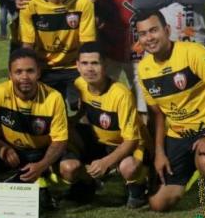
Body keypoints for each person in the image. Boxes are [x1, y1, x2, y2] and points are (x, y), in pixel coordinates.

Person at [134, 10, 205, 212]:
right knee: (158, 203)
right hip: (179, 134)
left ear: (167, 30)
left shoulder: (193, 53)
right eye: (143, 34)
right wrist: (159, 153)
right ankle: (204, 175)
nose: (149, 38)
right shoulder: (144, 69)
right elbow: (158, 116)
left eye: (154, 30)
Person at [64, 42, 149, 208]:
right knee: (63, 138)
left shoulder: (121, 94)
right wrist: (71, 121)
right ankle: (86, 182)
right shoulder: (79, 84)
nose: (90, 69)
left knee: (129, 167)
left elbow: (131, 141)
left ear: (106, 65)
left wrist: (106, 162)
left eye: (95, 63)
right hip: (98, 141)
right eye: (85, 63)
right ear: (78, 66)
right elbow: (81, 112)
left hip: (123, 145)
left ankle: (138, 186)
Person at [0, 48, 68, 209]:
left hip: (41, 150)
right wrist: (3, 148)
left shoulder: (54, 97)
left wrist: (42, 164)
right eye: (18, 72)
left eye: (30, 71)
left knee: (68, 168)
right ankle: (11, 177)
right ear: (10, 74)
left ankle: (45, 177)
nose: (24, 77)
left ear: (38, 73)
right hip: (12, 149)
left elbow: (60, 141)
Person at [20, 0, 95, 107]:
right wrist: (27, 75)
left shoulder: (83, 3)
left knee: (85, 109)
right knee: (44, 112)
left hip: (74, 68)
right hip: (45, 68)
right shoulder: (29, 5)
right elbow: (27, 46)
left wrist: (87, 74)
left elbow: (87, 45)